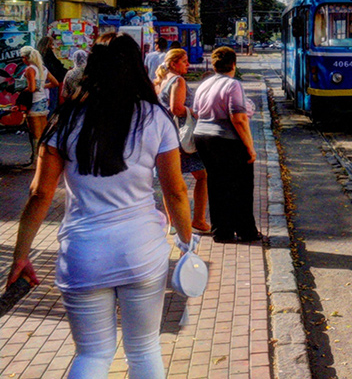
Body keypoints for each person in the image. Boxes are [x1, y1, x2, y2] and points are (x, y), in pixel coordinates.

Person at [7, 34, 193, 379]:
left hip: (83, 255)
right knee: (144, 349)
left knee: (93, 354)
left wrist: (21, 254)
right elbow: (176, 191)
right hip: (141, 252)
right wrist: (186, 241)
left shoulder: (64, 121)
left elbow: (39, 194)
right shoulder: (154, 118)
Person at [192, 46, 261, 244]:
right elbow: (238, 118)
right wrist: (250, 147)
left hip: (203, 137)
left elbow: (197, 112)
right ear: (233, 64)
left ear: (214, 64)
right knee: (241, 185)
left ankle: (222, 232)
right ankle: (246, 230)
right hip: (226, 140)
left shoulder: (205, 84)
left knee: (217, 184)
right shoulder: (233, 85)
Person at [156, 49, 211, 234]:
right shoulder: (178, 81)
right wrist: (194, 112)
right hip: (180, 138)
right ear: (173, 63)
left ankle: (172, 223)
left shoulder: (161, 81)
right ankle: (199, 220)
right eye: (184, 61)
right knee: (203, 175)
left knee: (168, 180)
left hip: (164, 135)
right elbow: (176, 108)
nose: (188, 64)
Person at [20, 46, 59, 159]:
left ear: (27, 58)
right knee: (44, 131)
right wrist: (42, 86)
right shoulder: (42, 68)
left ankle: (37, 160)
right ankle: (47, 155)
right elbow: (55, 83)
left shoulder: (30, 69)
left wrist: (22, 88)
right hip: (43, 101)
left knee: (36, 133)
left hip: (34, 101)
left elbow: (31, 88)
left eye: (22, 57)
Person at [37, 34, 67, 113]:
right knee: (52, 103)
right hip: (52, 81)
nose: (53, 46)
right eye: (52, 44)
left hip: (43, 81)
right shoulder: (49, 54)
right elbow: (55, 68)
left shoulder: (39, 55)